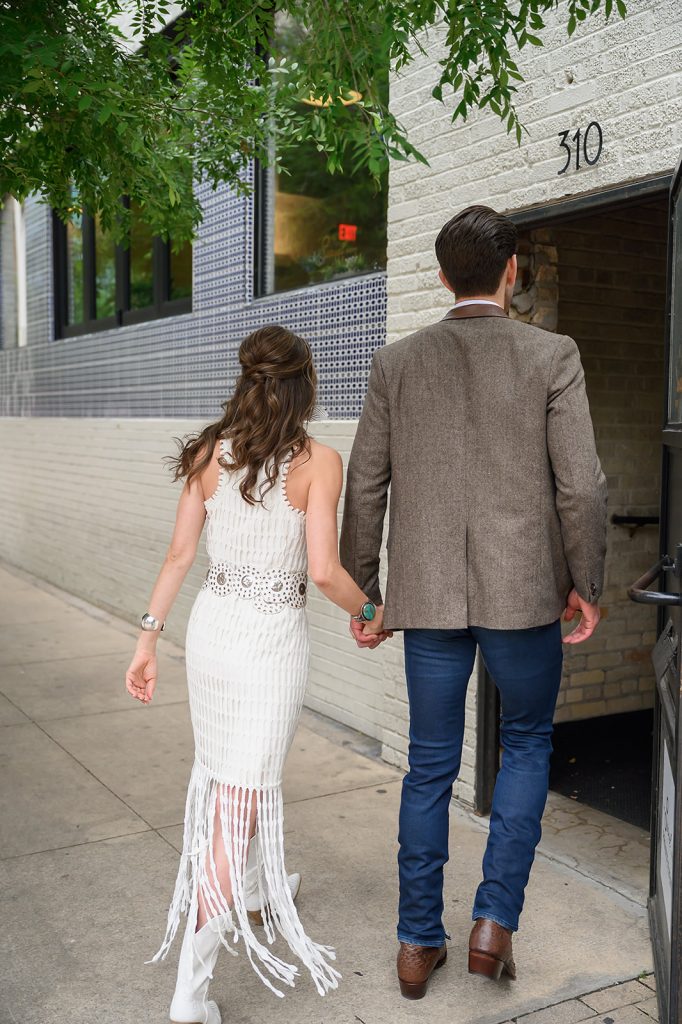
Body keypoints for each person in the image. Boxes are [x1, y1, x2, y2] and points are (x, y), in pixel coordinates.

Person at [340, 205, 608, 999]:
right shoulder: (551, 355)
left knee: (428, 766)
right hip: (525, 594)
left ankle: (417, 943)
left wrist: (368, 591)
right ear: (511, 270)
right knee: (524, 746)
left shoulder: (396, 363)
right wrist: (584, 583)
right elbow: (583, 486)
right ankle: (494, 925)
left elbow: (365, 484)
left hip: (424, 596)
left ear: (441, 275)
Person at [125, 325, 388, 1024]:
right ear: (305, 385)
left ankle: (247, 889)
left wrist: (146, 639)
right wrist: (373, 609)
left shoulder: (211, 454)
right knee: (237, 802)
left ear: (246, 381)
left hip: (212, 636)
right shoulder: (319, 461)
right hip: (269, 644)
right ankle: (190, 994)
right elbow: (327, 571)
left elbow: (179, 556)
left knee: (228, 779)